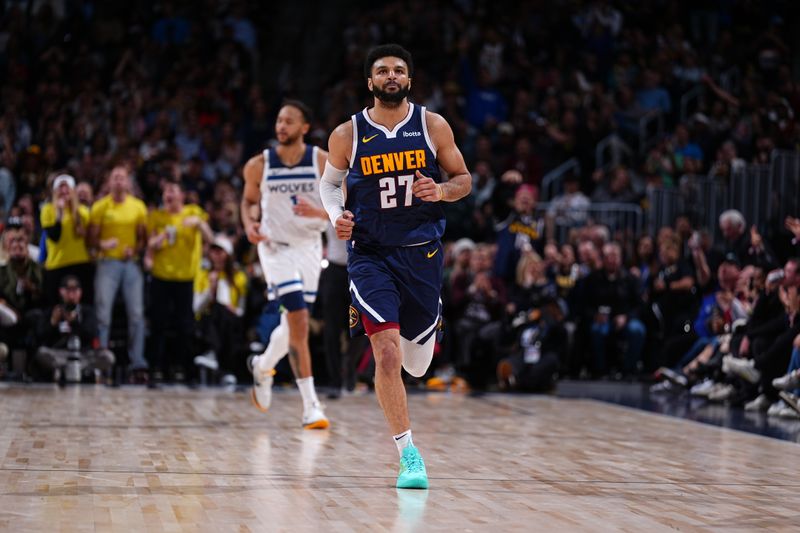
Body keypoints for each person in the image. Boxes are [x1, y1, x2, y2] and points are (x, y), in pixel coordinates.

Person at [320, 44, 471, 489]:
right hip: (370, 255)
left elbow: (464, 180)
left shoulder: (432, 125)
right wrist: (337, 217)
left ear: (409, 80)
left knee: (418, 365)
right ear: (370, 82)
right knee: (386, 353)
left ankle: (420, 336)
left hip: (422, 254)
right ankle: (408, 455)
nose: (391, 76)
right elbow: (330, 185)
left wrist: (442, 192)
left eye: (399, 70)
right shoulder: (347, 134)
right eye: (383, 70)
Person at [241, 100, 331, 429]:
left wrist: (321, 213)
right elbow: (249, 202)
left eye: (289, 121)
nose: (282, 126)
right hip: (274, 248)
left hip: (309, 247)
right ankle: (311, 406)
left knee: (294, 326)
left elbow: (347, 202)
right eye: (279, 120)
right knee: (300, 321)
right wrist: (250, 224)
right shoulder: (259, 165)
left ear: (304, 127)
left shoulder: (321, 161)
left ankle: (263, 365)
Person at [146, 178, 212, 384]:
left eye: (173, 190)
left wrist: (199, 223)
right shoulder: (157, 216)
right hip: (161, 277)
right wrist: (160, 239)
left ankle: (181, 367)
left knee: (184, 326)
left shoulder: (193, 212)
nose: (169, 193)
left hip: (185, 278)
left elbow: (210, 238)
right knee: (159, 324)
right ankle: (156, 367)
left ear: (181, 196)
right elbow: (150, 243)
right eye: (166, 190)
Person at [88, 164, 149, 382]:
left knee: (137, 315)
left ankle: (137, 363)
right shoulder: (100, 207)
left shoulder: (138, 207)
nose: (119, 181)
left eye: (122, 177)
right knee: (103, 313)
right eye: (115, 177)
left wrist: (135, 249)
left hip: (130, 263)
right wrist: (103, 243)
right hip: (107, 263)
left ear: (129, 183)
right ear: (109, 182)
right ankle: (102, 359)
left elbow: (143, 238)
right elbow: (91, 239)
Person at [193, 234, 249, 385]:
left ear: (228, 255)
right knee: (217, 310)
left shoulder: (238, 277)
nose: (216, 256)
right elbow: (196, 307)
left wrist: (233, 309)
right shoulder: (203, 275)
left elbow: (242, 310)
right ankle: (223, 367)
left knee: (225, 315)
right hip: (207, 318)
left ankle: (215, 356)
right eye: (213, 251)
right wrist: (210, 291)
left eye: (220, 251)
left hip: (231, 320)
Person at [35, 275, 114, 381]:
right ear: (61, 292)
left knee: (108, 357)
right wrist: (52, 323)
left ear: (80, 292)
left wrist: (74, 322)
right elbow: (40, 335)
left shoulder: (87, 311)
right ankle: (69, 369)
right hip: (61, 354)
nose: (71, 295)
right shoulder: (53, 311)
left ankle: (75, 370)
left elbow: (92, 333)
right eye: (67, 291)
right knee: (41, 353)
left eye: (75, 291)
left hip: (83, 355)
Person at [40, 174, 93, 305]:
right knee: (55, 305)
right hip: (57, 264)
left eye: (67, 188)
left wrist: (73, 209)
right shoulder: (47, 210)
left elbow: (86, 235)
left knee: (84, 304)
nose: (64, 191)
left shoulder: (83, 211)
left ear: (73, 191)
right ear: (54, 192)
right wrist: (59, 212)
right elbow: (54, 237)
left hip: (80, 262)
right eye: (60, 188)